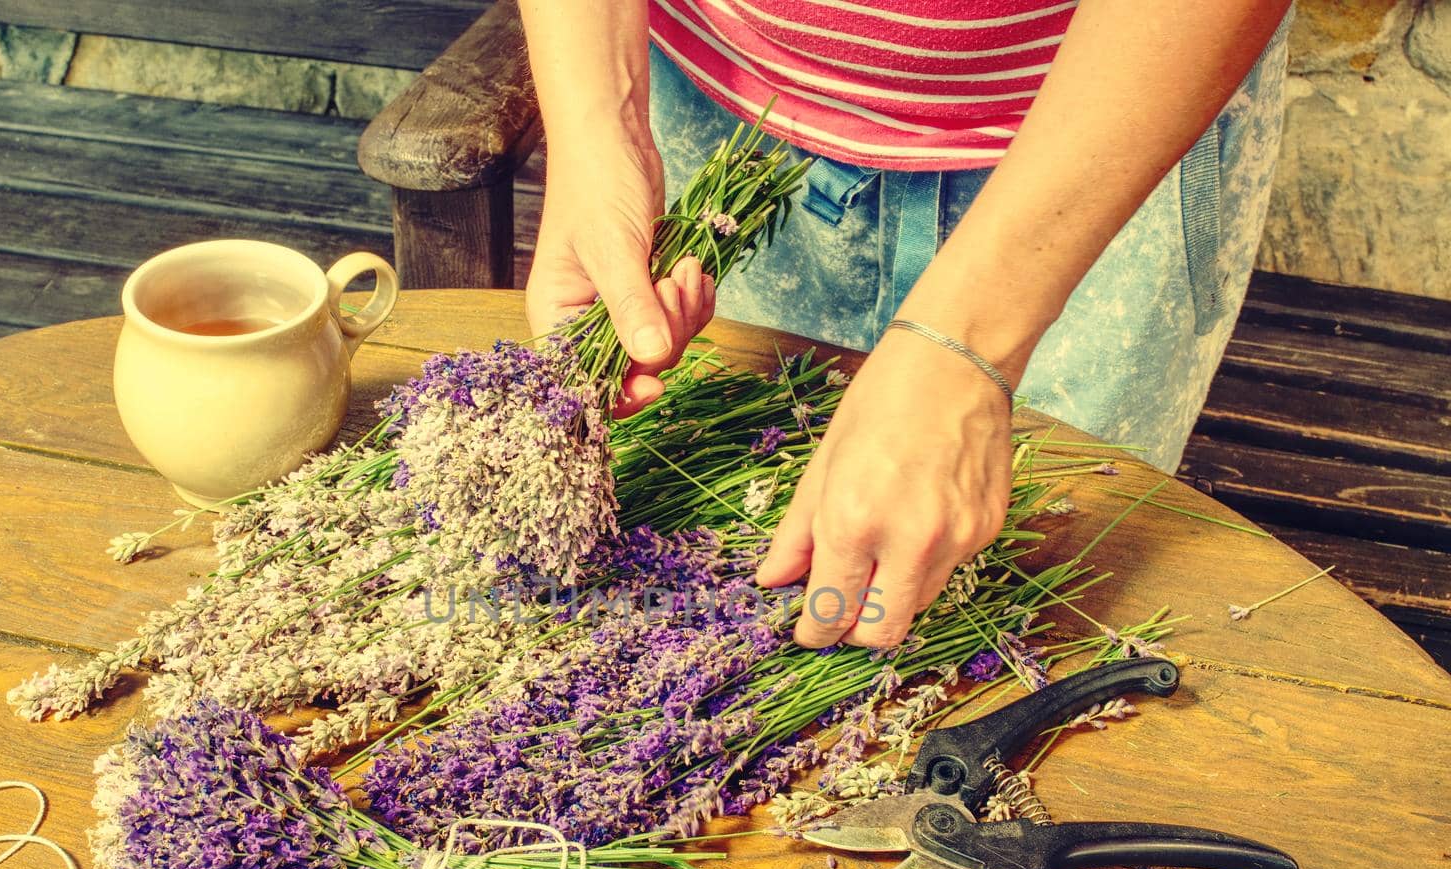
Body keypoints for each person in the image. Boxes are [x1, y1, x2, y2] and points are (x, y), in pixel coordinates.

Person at [518, 0, 1293, 649]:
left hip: (1101, 132)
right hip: (711, 100)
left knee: (1030, 597)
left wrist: (969, 345)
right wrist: (599, 123)